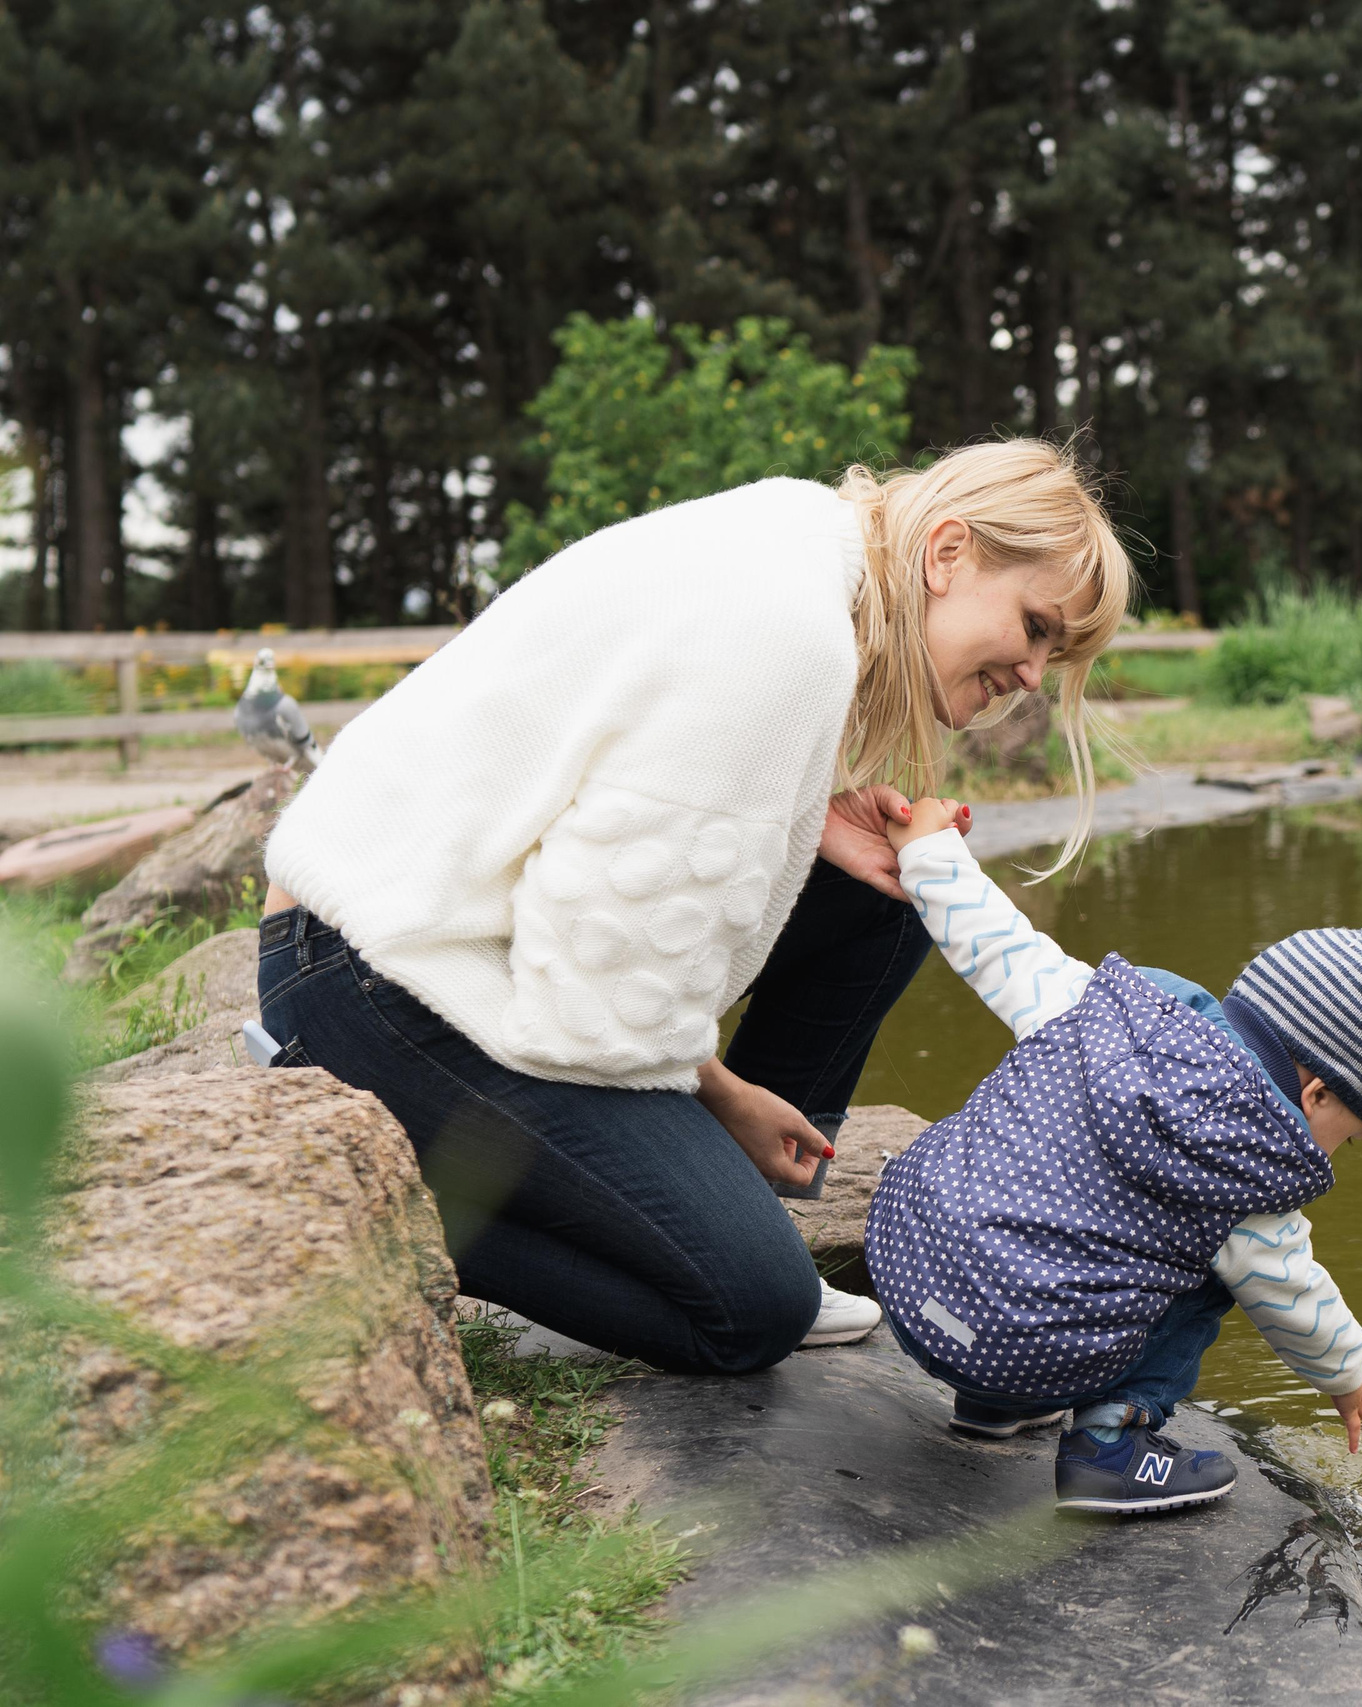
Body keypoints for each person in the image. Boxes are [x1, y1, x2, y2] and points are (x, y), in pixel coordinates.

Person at [253, 442, 1130, 1377]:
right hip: (373, 975)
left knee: (888, 897)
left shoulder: (801, 535)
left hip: (421, 931)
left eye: (1056, 652)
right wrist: (725, 1098)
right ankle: (364, 1205)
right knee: (752, 1309)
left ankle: (725, 1208)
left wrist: (811, 818)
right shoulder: (791, 633)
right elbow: (593, 999)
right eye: (1036, 626)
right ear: (947, 553)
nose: (1035, 675)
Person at [867, 796, 1362, 1515]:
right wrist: (1347, 1372)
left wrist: (928, 851)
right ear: (1318, 1093)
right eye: (1349, 1137)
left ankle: (986, 1402)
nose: (1335, 1155)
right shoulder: (1252, 1165)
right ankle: (1109, 1445)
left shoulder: (1109, 1010)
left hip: (909, 1271)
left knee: (1028, 1141)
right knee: (1215, 1273)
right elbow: (1293, 1293)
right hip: (1013, 1345)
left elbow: (998, 941)